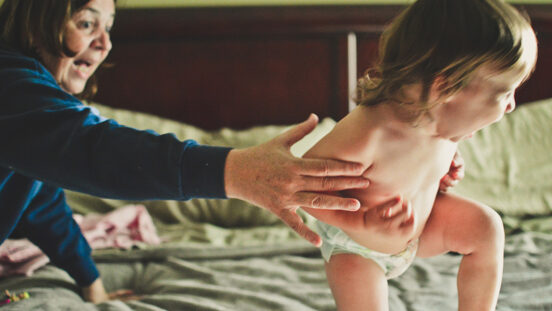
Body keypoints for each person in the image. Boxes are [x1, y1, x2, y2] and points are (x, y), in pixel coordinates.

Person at [0, 0, 380, 303]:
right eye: (86, 23)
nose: (105, 43)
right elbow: (98, 150)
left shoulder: (29, 121)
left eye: (109, 27)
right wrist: (236, 172)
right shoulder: (10, 86)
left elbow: (42, 204)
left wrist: (91, 284)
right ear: (37, 23)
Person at [301, 0, 538, 310]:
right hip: (357, 249)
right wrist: (361, 222)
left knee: (487, 227)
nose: (511, 106)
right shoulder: (369, 132)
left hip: (419, 231)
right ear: (447, 87)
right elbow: (301, 190)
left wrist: (445, 170)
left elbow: (417, 163)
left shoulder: (443, 121)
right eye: (504, 93)